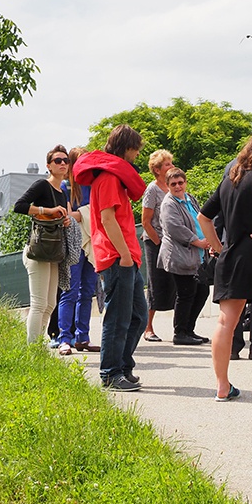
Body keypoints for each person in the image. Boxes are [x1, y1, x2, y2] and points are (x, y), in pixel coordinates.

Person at [198, 133, 252, 402]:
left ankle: (222, 386)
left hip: (231, 258)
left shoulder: (229, 180)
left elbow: (203, 217)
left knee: (226, 322)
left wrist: (217, 246)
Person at [73, 125, 148, 392]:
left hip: (126, 256)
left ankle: (122, 366)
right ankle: (110, 374)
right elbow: (107, 219)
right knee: (118, 317)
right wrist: (125, 255)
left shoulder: (113, 176)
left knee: (138, 315)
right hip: (117, 256)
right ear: (126, 148)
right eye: (135, 150)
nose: (137, 155)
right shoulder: (108, 178)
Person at [14, 144, 73, 345]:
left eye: (66, 160)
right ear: (49, 165)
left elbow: (59, 218)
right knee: (38, 303)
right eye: (58, 160)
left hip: (53, 251)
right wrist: (47, 211)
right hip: (38, 250)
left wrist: (64, 220)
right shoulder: (42, 185)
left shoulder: (62, 192)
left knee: (50, 304)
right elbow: (19, 206)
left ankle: (38, 345)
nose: (63, 164)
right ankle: (32, 349)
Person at [158, 168, 212, 345]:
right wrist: (197, 241)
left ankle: (189, 329)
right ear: (168, 185)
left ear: (185, 183)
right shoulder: (168, 204)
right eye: (173, 184)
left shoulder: (190, 199)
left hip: (198, 255)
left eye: (180, 182)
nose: (177, 186)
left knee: (202, 291)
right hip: (180, 255)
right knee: (186, 294)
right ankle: (180, 332)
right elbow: (174, 228)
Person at [55, 146, 101, 355]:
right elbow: (65, 216)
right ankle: (64, 338)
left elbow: (97, 212)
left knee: (88, 291)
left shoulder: (94, 185)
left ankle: (83, 337)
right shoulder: (65, 187)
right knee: (70, 291)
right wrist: (85, 213)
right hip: (73, 243)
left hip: (92, 243)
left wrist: (80, 214)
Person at [141, 150, 176, 342]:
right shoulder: (152, 190)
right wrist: (159, 242)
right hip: (156, 242)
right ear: (157, 169)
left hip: (173, 243)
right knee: (155, 283)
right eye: (167, 164)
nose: (171, 166)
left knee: (178, 284)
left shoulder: (173, 186)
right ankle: (148, 328)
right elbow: (145, 221)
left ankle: (182, 328)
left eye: (171, 163)